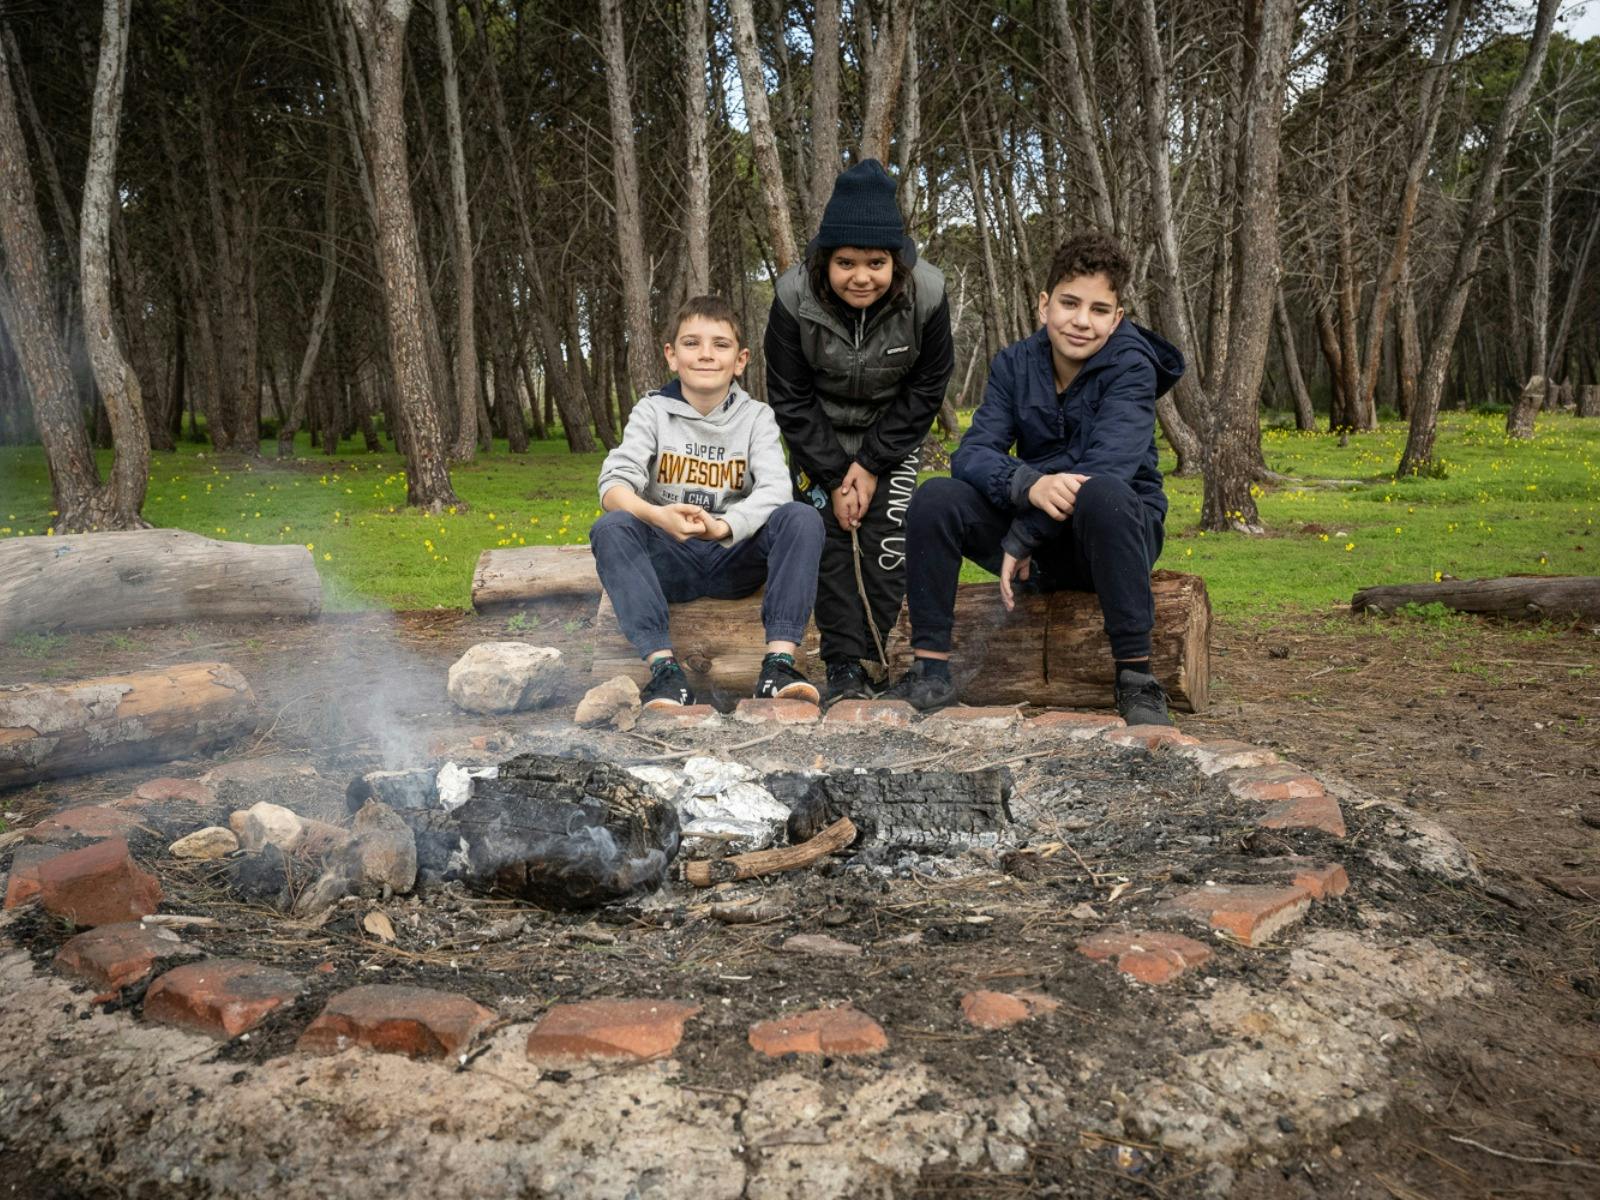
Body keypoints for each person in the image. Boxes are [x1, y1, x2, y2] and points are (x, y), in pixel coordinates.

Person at [881, 231, 1185, 726]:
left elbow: (1107, 468)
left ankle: (1136, 677)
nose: (1082, 321)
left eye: (1099, 310)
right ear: (1044, 304)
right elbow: (974, 453)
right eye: (1069, 303)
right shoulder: (1013, 364)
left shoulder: (1133, 368)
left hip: (1109, 537)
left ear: (1118, 317)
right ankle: (930, 671)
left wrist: (1024, 534)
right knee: (936, 497)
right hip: (1037, 533)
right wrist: (1027, 486)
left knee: (1104, 493)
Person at [765, 159, 955, 702]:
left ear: (897, 260)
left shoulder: (929, 294)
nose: (861, 277)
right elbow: (789, 396)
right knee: (827, 533)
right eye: (846, 262)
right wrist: (835, 475)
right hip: (816, 433)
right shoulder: (791, 297)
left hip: (890, 434)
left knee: (885, 536)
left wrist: (871, 465)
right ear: (826, 259)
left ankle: (877, 657)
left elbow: (927, 387)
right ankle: (843, 665)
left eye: (876, 262)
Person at [590, 295, 825, 709]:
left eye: (720, 345)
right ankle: (665, 673)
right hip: (671, 558)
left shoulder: (757, 417)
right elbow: (613, 486)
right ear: (671, 356)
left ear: (740, 360)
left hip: (733, 556)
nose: (705, 355)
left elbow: (774, 490)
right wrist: (657, 515)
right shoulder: (652, 412)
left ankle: (778, 666)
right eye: (691, 343)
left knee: (801, 517)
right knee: (611, 527)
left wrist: (725, 526)